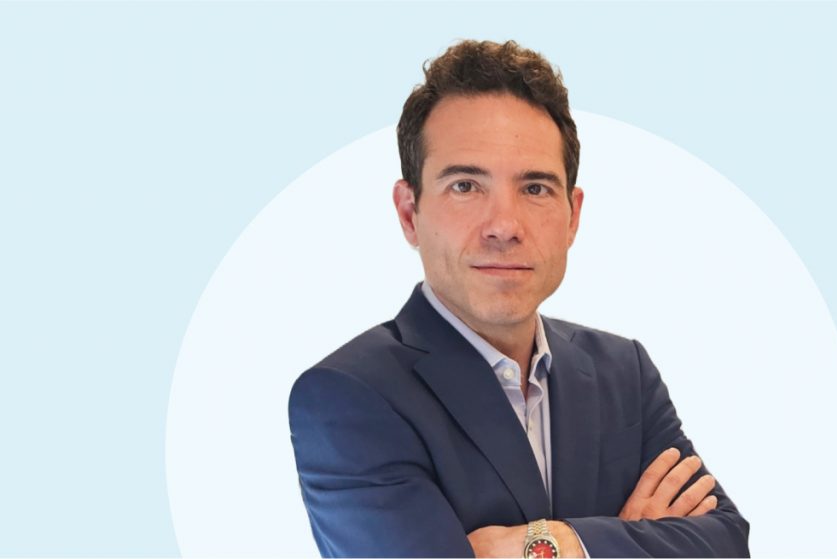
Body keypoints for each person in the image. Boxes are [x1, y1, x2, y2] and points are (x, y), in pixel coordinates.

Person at [288, 39, 750, 558]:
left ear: (572, 216)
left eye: (535, 188)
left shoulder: (625, 373)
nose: (504, 226)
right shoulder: (347, 397)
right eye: (465, 186)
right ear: (409, 212)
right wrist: (631, 540)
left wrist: (556, 545)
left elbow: (727, 543)